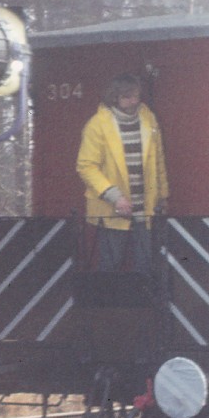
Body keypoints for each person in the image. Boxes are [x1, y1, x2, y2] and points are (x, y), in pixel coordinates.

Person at [76, 73, 168, 271]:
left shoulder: (149, 119)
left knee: (146, 268)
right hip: (111, 210)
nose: (133, 101)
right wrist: (115, 197)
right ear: (114, 97)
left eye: (136, 96)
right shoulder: (97, 125)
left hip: (145, 208)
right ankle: (110, 294)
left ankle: (142, 293)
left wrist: (162, 196)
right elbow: (86, 166)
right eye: (127, 97)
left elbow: (158, 160)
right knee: (110, 267)